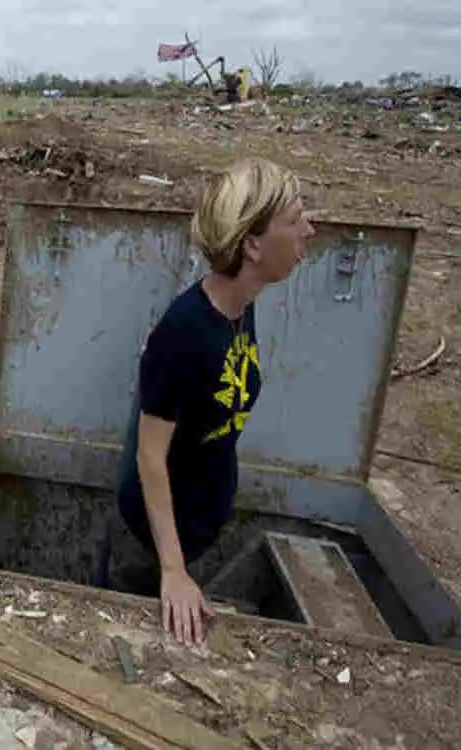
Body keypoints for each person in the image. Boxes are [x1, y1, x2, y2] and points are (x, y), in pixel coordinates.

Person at [102, 157, 315, 647]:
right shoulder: (183, 333)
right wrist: (172, 570)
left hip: (194, 529)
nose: (310, 228)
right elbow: (150, 457)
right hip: (151, 549)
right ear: (252, 245)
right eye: (295, 219)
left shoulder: (240, 308)